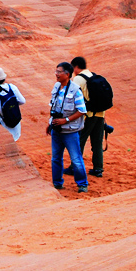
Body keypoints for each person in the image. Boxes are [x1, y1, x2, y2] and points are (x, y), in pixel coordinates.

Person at [47, 62, 88, 193]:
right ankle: (57, 183)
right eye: (56, 71)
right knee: (56, 158)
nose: (56, 74)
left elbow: (82, 110)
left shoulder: (75, 90)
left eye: (59, 72)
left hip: (70, 131)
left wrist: (65, 120)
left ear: (67, 74)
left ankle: (82, 184)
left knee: (76, 159)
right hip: (57, 130)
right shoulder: (56, 87)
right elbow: (53, 108)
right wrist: (50, 123)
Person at [65, 56, 107, 178]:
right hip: (100, 114)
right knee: (97, 142)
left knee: (79, 142)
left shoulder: (78, 79)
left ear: (76, 67)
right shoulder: (93, 75)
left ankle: (74, 168)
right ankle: (98, 169)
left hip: (87, 116)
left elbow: (73, 97)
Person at [0, 67, 26, 141]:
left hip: (5, 127)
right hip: (16, 124)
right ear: (4, 78)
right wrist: (12, 104)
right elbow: (22, 101)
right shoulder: (12, 87)